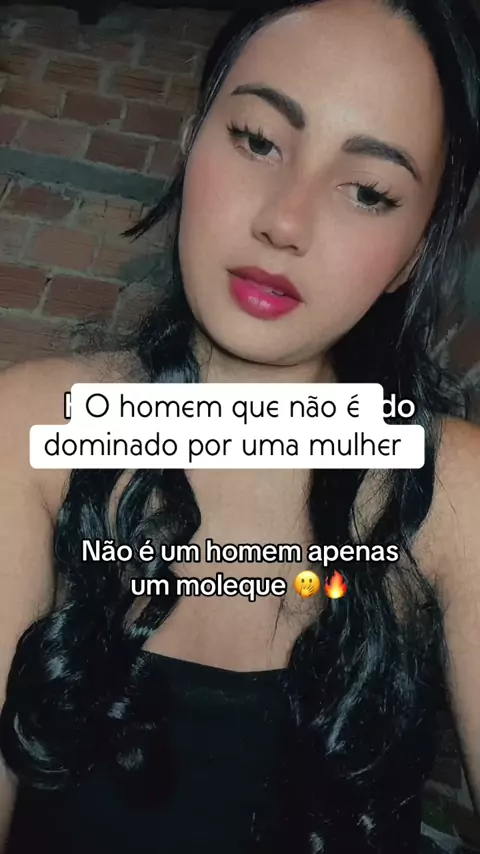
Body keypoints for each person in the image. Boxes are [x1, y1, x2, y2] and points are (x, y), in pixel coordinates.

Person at [1, 0, 480, 851]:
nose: (284, 222)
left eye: (369, 191)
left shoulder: (457, 497)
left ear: (414, 252)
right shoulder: (28, 428)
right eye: (258, 141)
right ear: (192, 142)